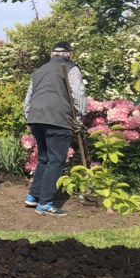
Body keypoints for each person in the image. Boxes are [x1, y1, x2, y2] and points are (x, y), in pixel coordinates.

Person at [23, 41, 87, 216]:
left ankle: (33, 196)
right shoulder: (71, 68)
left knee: (44, 158)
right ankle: (44, 203)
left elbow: (29, 95)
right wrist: (79, 118)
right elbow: (79, 94)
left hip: (36, 118)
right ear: (70, 55)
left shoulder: (39, 70)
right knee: (56, 160)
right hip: (57, 119)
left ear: (51, 55)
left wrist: (28, 116)